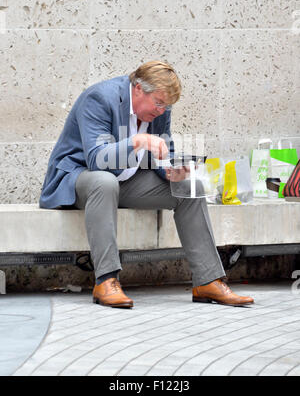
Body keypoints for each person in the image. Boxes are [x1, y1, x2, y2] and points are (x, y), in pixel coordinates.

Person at [40, 60, 254, 309]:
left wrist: (173, 171)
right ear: (138, 89)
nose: (162, 110)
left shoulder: (160, 110)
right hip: (79, 177)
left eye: (167, 105)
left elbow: (165, 152)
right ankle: (106, 280)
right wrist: (137, 141)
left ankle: (208, 280)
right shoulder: (99, 98)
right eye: (159, 103)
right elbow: (97, 159)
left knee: (188, 187)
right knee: (104, 181)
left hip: (126, 180)